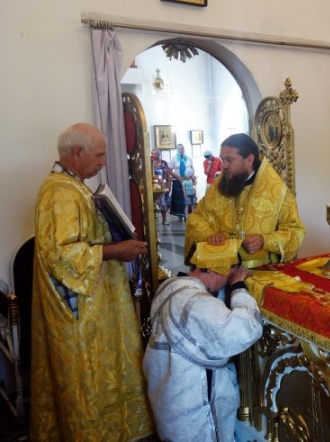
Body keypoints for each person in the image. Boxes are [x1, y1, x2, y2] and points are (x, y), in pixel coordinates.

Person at [31, 123, 153, 440]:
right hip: (79, 310)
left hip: (97, 299)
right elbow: (60, 255)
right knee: (86, 378)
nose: (103, 163)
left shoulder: (75, 187)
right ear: (77, 152)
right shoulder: (60, 193)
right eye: (98, 156)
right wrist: (115, 250)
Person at [143, 248, 263, 442]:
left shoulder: (171, 286)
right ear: (217, 270)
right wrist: (238, 287)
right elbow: (246, 328)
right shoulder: (197, 303)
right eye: (228, 275)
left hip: (168, 398)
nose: (227, 281)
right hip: (193, 410)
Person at [185, 133, 306, 269]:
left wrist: (264, 241)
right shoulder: (218, 185)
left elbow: (295, 231)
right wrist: (210, 235)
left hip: (259, 271)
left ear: (249, 159)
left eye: (230, 160)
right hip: (219, 270)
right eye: (223, 160)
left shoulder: (277, 191)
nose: (224, 166)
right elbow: (196, 218)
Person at [169, 143, 194, 221]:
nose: (181, 150)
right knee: (179, 198)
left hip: (187, 180)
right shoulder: (174, 159)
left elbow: (192, 168)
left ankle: (188, 215)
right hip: (177, 181)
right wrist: (178, 178)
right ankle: (180, 215)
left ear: (184, 149)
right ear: (177, 150)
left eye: (182, 148)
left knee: (188, 197)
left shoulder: (189, 158)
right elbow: (169, 170)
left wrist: (192, 177)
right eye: (179, 149)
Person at [151, 148, 172, 225]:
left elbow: (168, 174)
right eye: (152, 153)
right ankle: (153, 220)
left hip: (162, 186)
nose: (154, 155)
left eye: (155, 153)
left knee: (164, 203)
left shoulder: (164, 163)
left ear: (159, 154)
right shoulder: (149, 163)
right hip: (153, 186)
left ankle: (164, 219)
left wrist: (169, 185)